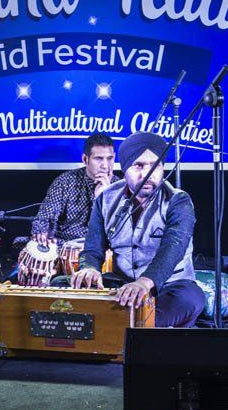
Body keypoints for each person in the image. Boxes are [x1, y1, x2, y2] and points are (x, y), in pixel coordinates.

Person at [69, 131, 204, 328]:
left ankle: (116, 326)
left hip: (169, 287)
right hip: (120, 284)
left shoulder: (179, 201)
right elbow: (92, 249)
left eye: (155, 166)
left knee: (190, 300)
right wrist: (89, 269)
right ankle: (118, 324)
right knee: (62, 286)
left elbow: (174, 247)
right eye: (138, 165)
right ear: (124, 168)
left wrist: (144, 283)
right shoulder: (105, 199)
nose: (147, 175)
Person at [31, 133, 115, 246]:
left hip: (102, 250)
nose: (105, 165)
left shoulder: (120, 187)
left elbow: (118, 232)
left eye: (109, 158)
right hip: (66, 247)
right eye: (99, 159)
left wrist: (102, 198)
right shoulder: (65, 181)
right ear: (85, 159)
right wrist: (43, 232)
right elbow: (45, 218)